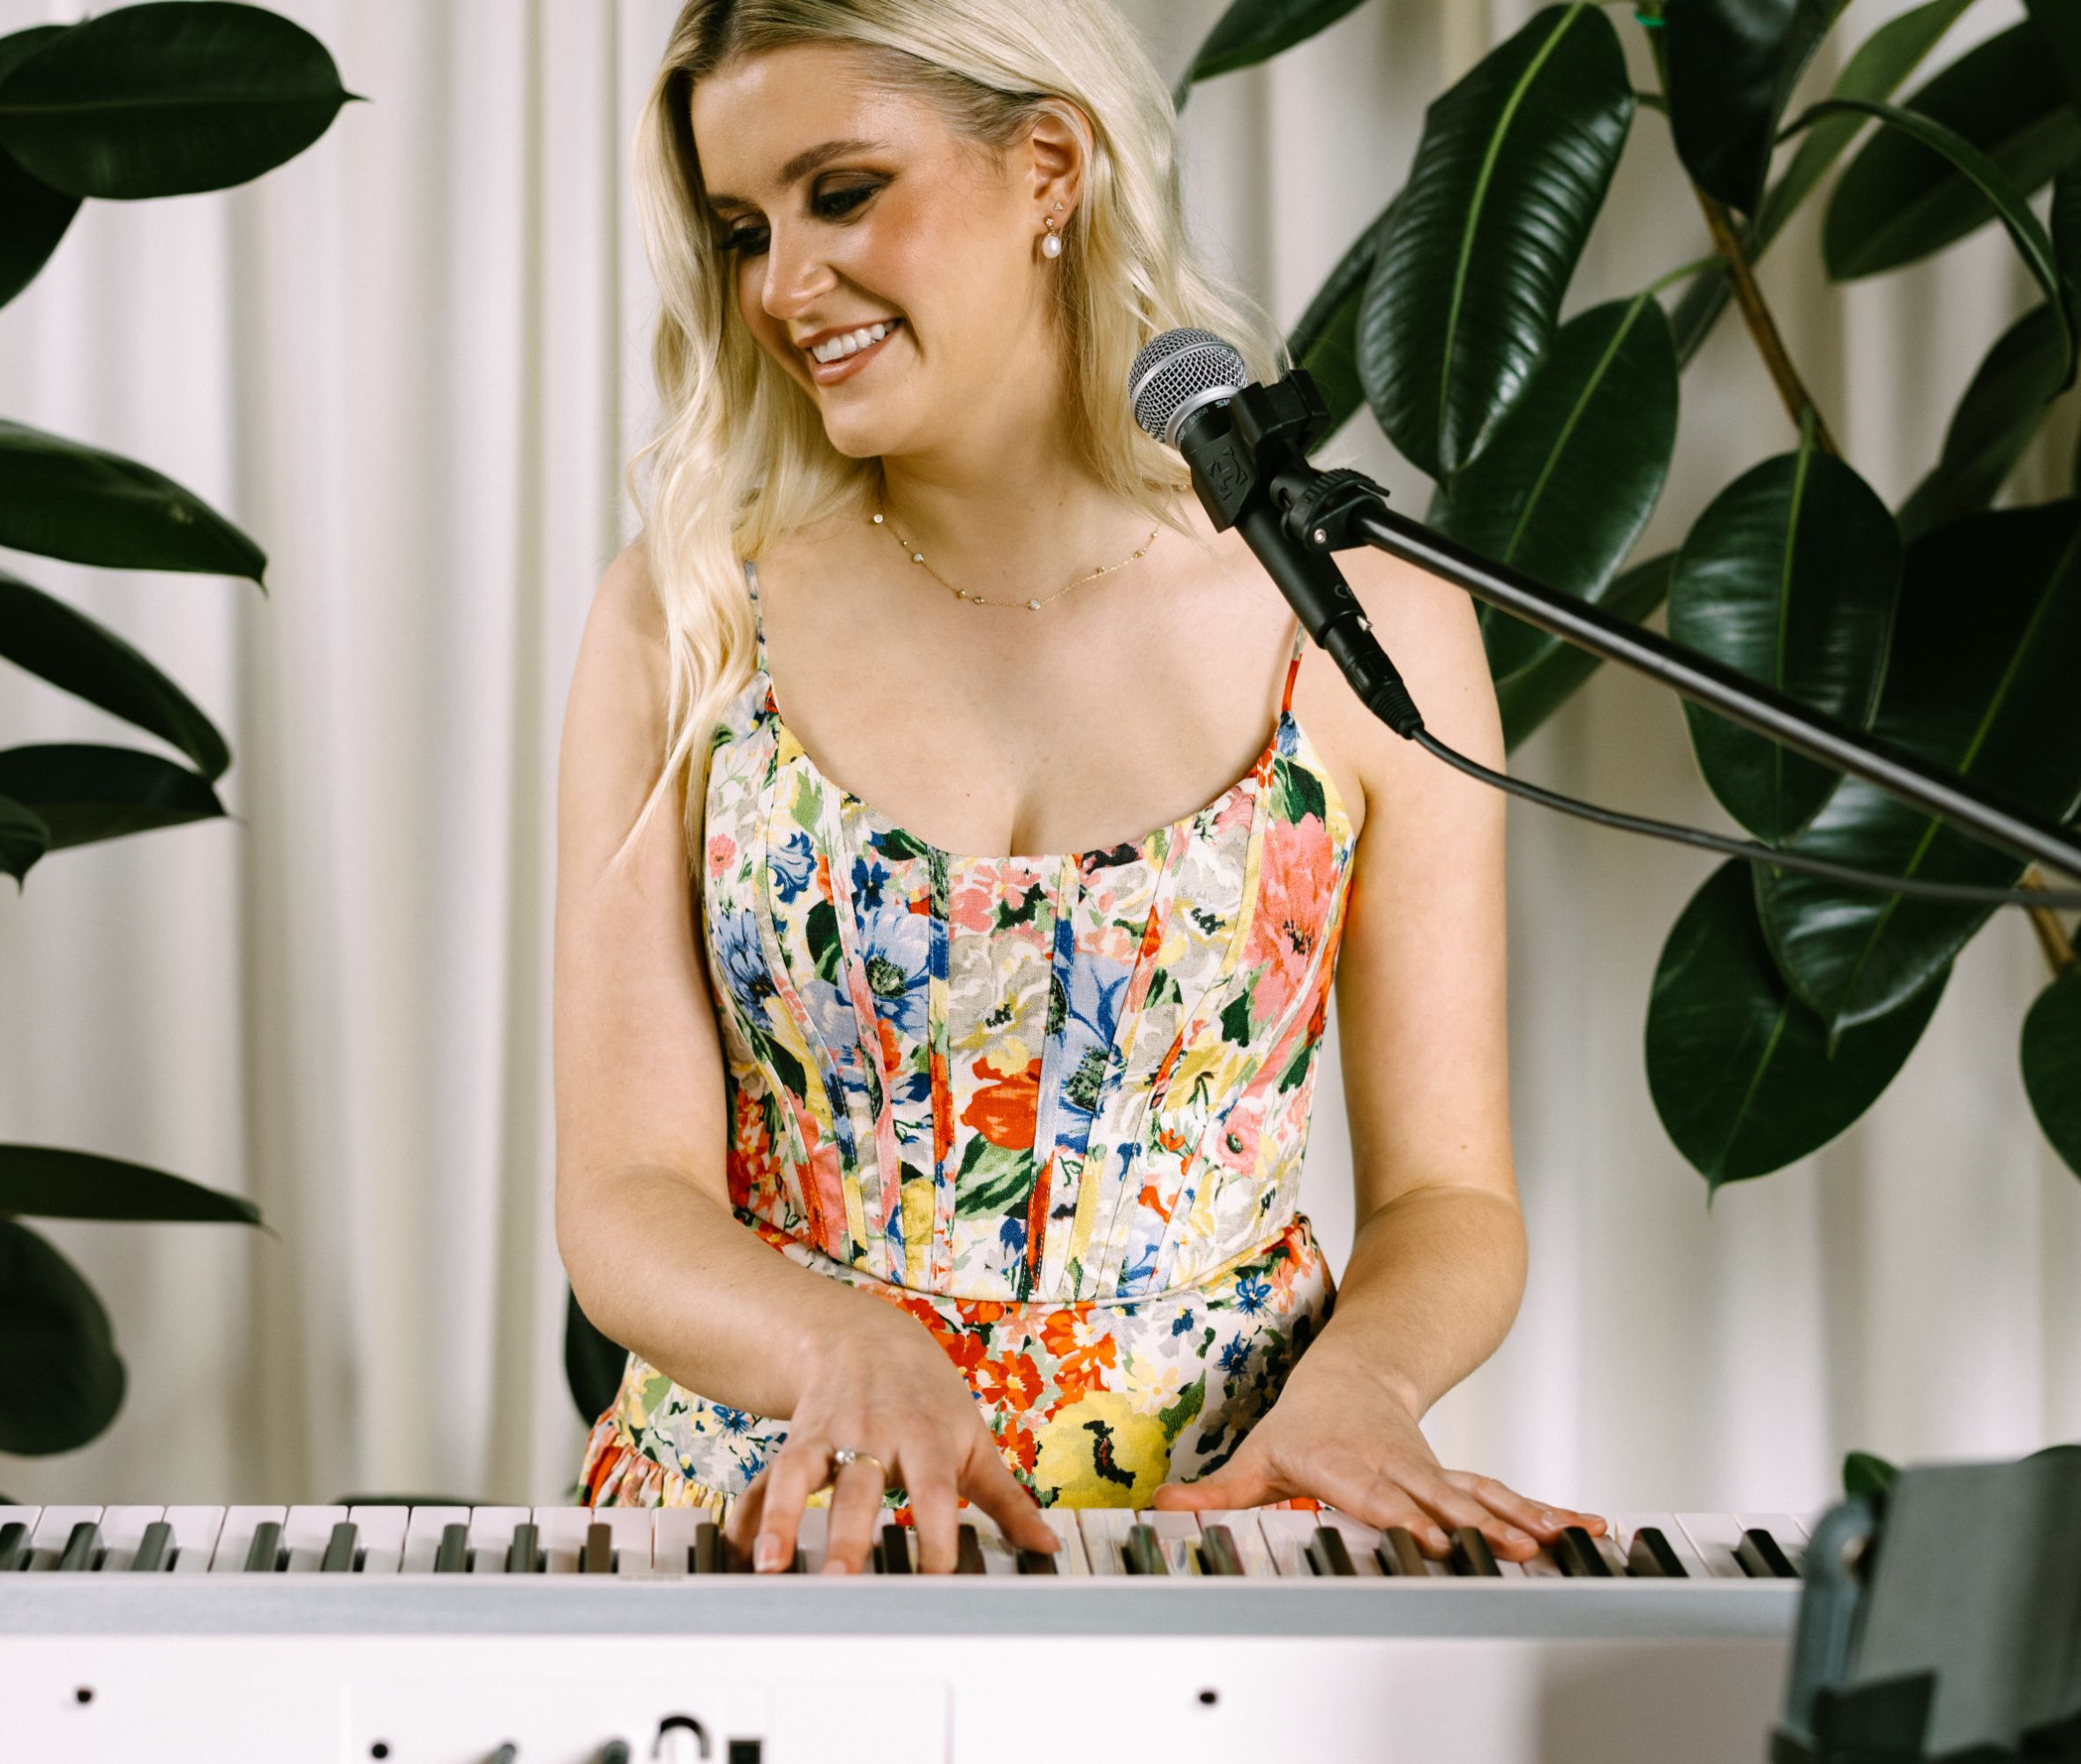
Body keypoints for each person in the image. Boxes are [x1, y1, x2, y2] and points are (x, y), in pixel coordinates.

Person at [553, 0, 1605, 1577]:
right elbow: (625, 1194)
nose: (779, 286)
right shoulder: (688, 613)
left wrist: (1368, 1385)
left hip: (1222, 1529)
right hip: (779, 1527)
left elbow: (1452, 1196)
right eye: (744, 230)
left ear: (1050, 165)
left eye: (842, 194)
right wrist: (841, 1345)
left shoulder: (1361, 621)